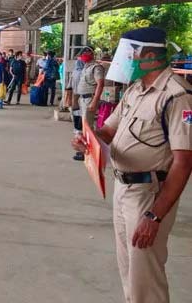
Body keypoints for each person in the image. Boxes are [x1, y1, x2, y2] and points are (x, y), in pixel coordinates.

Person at [72, 27, 192, 303]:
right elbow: (109, 131)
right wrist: (88, 139)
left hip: (149, 195)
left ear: (149, 55)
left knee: (145, 278)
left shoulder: (177, 96)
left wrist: (154, 216)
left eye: (128, 55)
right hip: (123, 189)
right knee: (130, 273)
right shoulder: (135, 90)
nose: (122, 61)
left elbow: (184, 162)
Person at [76, 47, 105, 129]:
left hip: (89, 99)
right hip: (83, 99)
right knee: (84, 124)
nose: (83, 56)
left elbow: (100, 84)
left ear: (92, 54)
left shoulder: (96, 67)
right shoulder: (86, 67)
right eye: (82, 54)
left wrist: (95, 101)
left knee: (87, 126)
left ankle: (90, 141)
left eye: (86, 53)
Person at [69, 55, 86, 161]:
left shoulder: (74, 72)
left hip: (76, 101)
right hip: (82, 101)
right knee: (81, 127)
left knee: (78, 128)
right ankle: (81, 151)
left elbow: (69, 86)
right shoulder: (83, 73)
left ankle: (81, 151)